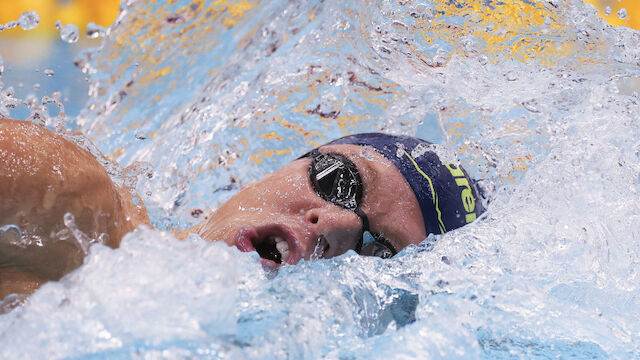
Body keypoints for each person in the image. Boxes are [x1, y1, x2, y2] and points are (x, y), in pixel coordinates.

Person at [0, 118, 484, 299]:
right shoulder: (65, 199)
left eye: (379, 252)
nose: (334, 224)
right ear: (282, 167)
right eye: (339, 180)